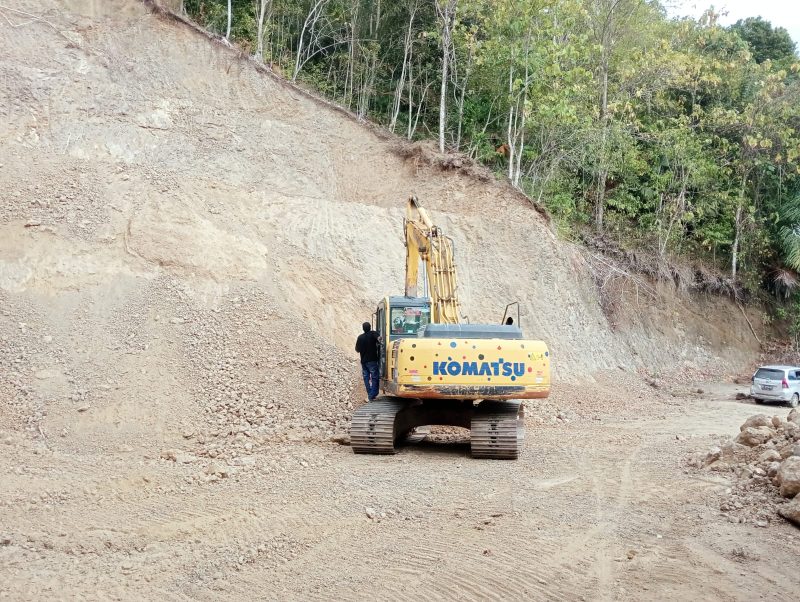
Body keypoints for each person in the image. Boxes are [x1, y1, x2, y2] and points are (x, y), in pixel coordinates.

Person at [355, 321, 380, 401]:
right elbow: (379, 338)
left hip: (364, 362)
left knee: (366, 378)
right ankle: (371, 395)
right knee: (374, 377)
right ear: (370, 327)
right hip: (372, 361)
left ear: (363, 329)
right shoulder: (373, 334)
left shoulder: (360, 337)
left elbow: (357, 350)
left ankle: (370, 394)